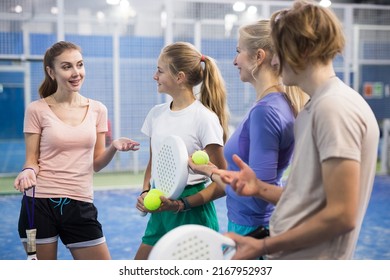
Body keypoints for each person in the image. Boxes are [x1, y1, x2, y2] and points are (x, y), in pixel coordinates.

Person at [213, 0, 380, 259]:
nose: (276, 62)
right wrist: (258, 187)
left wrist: (263, 246)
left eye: (278, 51)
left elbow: (341, 215)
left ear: (300, 50)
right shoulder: (315, 107)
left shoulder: (333, 108)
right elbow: (308, 200)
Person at [13, 41, 140, 260]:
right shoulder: (36, 110)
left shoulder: (98, 109)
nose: (76, 73)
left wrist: (113, 147)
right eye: (66, 67)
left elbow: (97, 163)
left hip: (80, 203)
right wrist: (28, 171)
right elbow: (32, 160)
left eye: (79, 65)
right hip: (39, 204)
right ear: (51, 72)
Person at [187, 20, 308, 243]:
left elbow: (257, 194)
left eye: (238, 51)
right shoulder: (278, 103)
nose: (235, 61)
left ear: (259, 56)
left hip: (253, 230)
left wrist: (211, 172)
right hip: (254, 225)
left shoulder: (266, 111)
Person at [134, 41, 229, 259]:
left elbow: (222, 184)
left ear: (180, 77)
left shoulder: (204, 118)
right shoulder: (155, 114)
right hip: (160, 206)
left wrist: (180, 204)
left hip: (192, 212)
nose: (154, 76)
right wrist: (145, 191)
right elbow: (154, 163)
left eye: (160, 70)